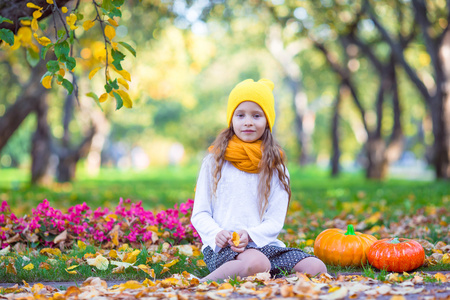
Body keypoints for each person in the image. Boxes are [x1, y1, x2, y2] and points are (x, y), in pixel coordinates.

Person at [191, 78, 327, 282]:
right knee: (258, 263)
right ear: (231, 119)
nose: (248, 121)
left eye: (256, 115)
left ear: (267, 121)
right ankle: (203, 283)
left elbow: (274, 220)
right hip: (224, 249)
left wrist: (251, 235)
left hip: (263, 245)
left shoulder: (275, 166)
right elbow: (200, 213)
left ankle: (261, 278)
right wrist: (217, 233)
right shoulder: (214, 162)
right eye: (240, 115)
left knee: (316, 266)